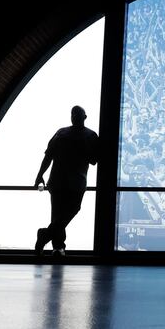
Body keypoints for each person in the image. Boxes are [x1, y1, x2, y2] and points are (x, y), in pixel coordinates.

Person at [34, 106, 100, 257]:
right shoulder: (90, 136)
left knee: (57, 214)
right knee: (69, 211)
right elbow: (94, 160)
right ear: (85, 117)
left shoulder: (61, 133)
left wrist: (40, 175)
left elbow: (48, 156)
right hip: (77, 181)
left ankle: (54, 243)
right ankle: (54, 244)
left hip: (57, 180)